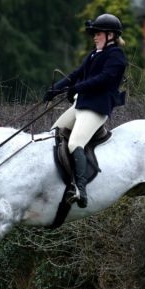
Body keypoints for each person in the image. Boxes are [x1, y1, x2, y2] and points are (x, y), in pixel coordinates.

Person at [43, 13, 127, 208]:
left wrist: (77, 88)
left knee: (74, 143)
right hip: (81, 104)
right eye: (94, 34)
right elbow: (76, 75)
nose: (95, 37)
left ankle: (80, 190)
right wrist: (55, 89)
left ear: (111, 36)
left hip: (97, 107)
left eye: (98, 34)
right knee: (52, 135)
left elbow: (104, 79)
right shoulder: (93, 54)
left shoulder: (117, 56)